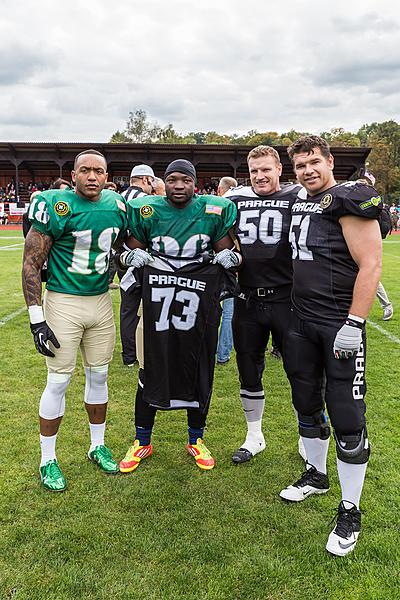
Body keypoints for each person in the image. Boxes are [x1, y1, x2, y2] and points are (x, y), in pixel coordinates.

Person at [280, 136, 382, 556]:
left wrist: (355, 323)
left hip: (339, 324)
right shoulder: (300, 200)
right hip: (302, 320)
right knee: (305, 401)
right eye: (300, 165)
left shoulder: (348, 199)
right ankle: (317, 475)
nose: (307, 170)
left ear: (330, 161)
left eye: (314, 162)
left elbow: (371, 263)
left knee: (346, 416)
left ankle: (350, 507)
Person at [118, 159, 239, 472]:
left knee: (198, 373)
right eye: (172, 180)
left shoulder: (213, 210)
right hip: (157, 306)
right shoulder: (148, 211)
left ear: (195, 183)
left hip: (197, 308)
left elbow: (232, 255)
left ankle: (195, 440)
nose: (178, 186)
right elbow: (125, 253)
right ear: (164, 183)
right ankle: (142, 441)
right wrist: (129, 256)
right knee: (150, 370)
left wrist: (231, 256)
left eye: (185, 180)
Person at [22, 149, 128, 492]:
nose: (92, 177)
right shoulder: (56, 204)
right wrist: (37, 318)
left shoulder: (117, 205)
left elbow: (123, 247)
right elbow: (30, 264)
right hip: (64, 302)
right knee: (58, 381)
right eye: (85, 170)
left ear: (107, 175)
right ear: (73, 175)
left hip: (100, 302)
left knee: (99, 376)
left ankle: (97, 445)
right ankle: (47, 459)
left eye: (99, 171)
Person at [224, 146, 303, 463]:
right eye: (254, 170)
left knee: (301, 371)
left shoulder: (297, 196)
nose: (260, 175)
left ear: (279, 169)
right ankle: (254, 436)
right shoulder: (236, 200)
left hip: (288, 299)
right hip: (247, 299)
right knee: (248, 369)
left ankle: (306, 435)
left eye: (266, 169)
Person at [119, 164, 156, 366]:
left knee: (128, 309)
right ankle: (149, 351)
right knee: (152, 307)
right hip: (145, 261)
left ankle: (129, 355)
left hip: (122, 260)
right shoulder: (148, 200)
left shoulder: (118, 197)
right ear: (146, 180)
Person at [215, 176, 237, 365]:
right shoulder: (239, 204)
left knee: (211, 311)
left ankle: (216, 351)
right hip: (231, 266)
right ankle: (223, 354)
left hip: (215, 266)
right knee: (228, 313)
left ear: (221, 190)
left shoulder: (220, 206)